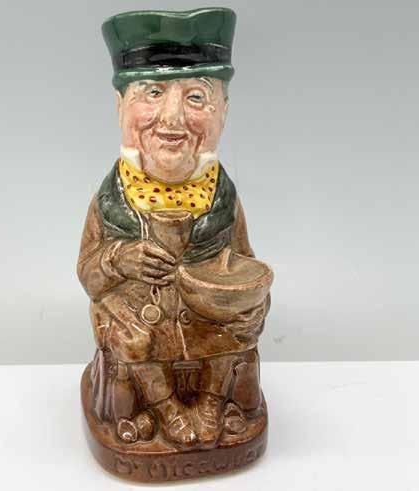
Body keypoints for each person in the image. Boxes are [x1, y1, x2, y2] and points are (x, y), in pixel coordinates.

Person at [77, 8, 270, 450]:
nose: (172, 118)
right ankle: (165, 409)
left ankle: (212, 402)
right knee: (133, 339)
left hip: (205, 322)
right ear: (120, 106)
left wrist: (251, 299)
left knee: (234, 331)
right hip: (140, 321)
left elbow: (245, 262)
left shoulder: (223, 197)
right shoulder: (112, 201)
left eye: (197, 97)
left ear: (224, 111)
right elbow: (88, 273)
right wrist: (117, 259)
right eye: (153, 92)